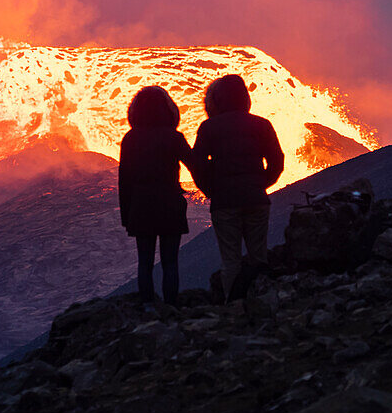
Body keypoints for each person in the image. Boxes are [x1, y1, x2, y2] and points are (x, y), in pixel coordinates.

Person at [193, 74, 284, 302]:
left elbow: (198, 165)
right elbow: (277, 160)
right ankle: (263, 303)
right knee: (258, 256)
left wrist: (211, 191)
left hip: (224, 203)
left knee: (230, 260)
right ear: (245, 98)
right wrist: (261, 184)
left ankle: (232, 307)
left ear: (217, 100)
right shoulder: (261, 124)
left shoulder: (208, 128)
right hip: (256, 200)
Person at [118, 85, 197, 307]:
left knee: (145, 262)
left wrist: (127, 216)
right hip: (170, 203)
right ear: (169, 110)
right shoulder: (174, 137)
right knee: (170, 262)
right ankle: (171, 307)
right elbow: (194, 164)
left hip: (141, 206)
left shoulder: (131, 139)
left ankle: (148, 307)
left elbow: (124, 180)